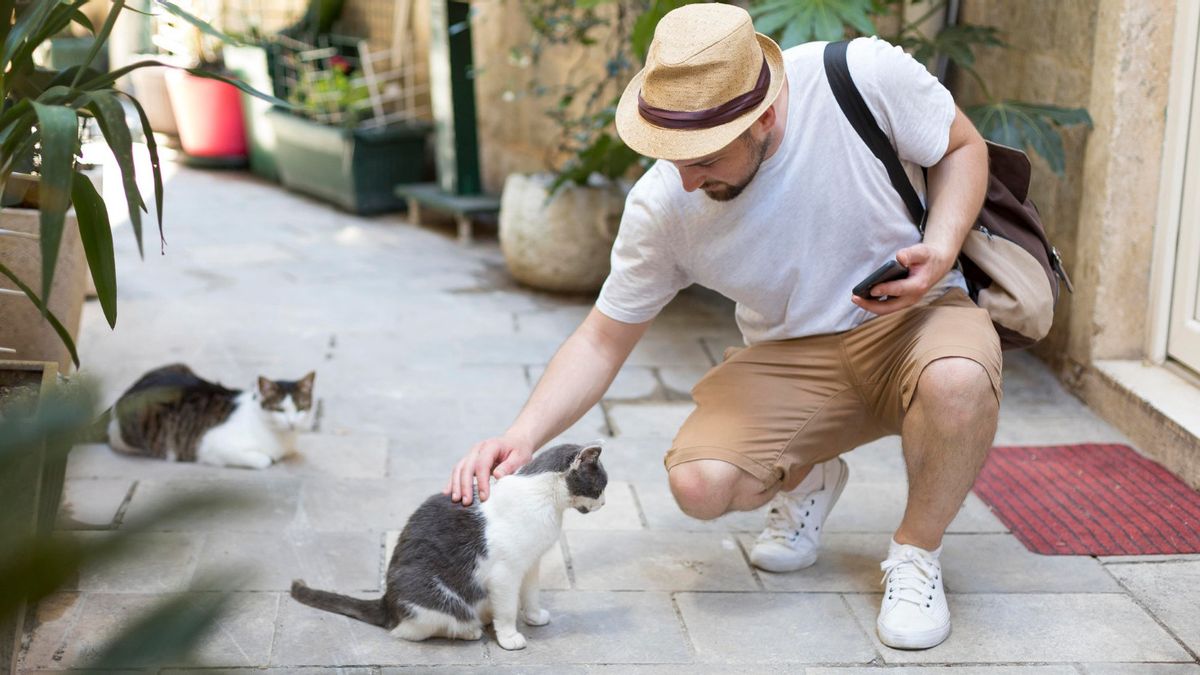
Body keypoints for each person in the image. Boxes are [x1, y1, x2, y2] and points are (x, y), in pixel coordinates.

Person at [445, 3, 998, 651]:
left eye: (701, 156)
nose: (683, 176)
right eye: (666, 152)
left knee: (958, 381)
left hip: (917, 320)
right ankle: (812, 474)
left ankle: (915, 554)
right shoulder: (663, 203)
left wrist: (941, 245)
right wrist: (521, 435)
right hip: (790, 356)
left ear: (763, 117)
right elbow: (602, 337)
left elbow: (964, 146)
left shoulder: (863, 76)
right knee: (700, 484)